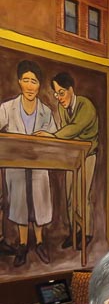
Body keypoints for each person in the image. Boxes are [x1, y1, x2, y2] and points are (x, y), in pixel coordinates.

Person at [0, 59, 56, 267]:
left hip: (39, 165)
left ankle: (39, 243)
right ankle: (23, 245)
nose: (30, 85)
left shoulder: (46, 112)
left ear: (39, 84)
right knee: (20, 202)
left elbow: (55, 136)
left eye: (34, 81)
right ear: (19, 82)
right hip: (16, 165)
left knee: (39, 203)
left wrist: (47, 137)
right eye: (26, 80)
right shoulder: (7, 108)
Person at [44, 72, 99, 251]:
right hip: (72, 156)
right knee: (70, 198)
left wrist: (52, 136)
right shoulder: (61, 108)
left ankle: (87, 232)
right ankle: (74, 232)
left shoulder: (86, 105)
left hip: (88, 155)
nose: (59, 97)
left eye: (61, 92)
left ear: (71, 90)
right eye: (56, 93)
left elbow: (74, 129)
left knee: (82, 197)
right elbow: (66, 131)